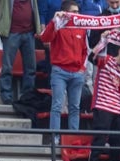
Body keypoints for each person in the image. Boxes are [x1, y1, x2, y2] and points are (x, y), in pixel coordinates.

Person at [41, 2, 89, 132]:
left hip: (77, 73)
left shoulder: (81, 28)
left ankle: (73, 138)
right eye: (74, 12)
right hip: (60, 71)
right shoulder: (58, 25)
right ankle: (55, 138)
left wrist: (82, 69)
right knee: (57, 106)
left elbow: (85, 51)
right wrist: (54, 21)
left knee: (75, 108)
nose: (77, 14)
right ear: (66, 13)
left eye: (78, 12)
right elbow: (44, 38)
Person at [0, 0, 42, 104]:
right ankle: (6, 95)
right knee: (7, 67)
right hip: (12, 32)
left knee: (31, 68)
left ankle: (27, 96)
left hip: (29, 32)